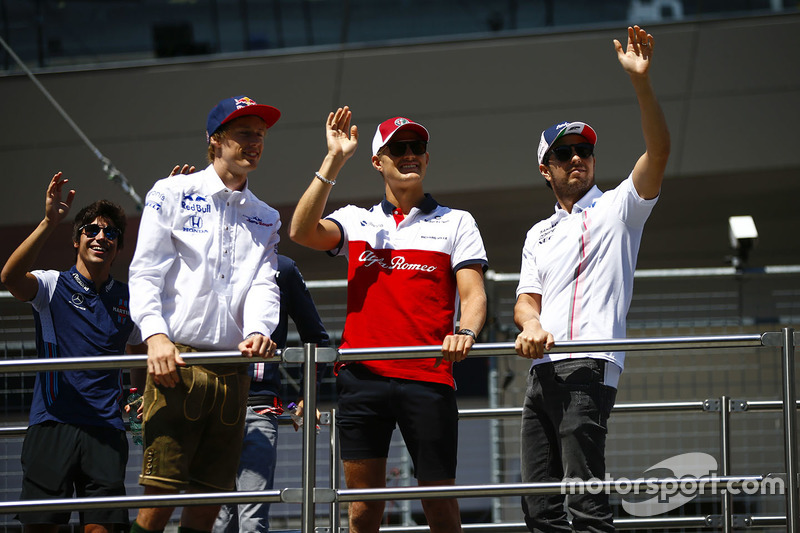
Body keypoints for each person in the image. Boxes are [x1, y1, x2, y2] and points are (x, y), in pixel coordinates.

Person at [290, 107, 488, 533]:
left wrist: (466, 331)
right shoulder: (355, 219)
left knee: (439, 507)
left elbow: (474, 295)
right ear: (378, 160)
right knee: (363, 511)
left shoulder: (457, 222)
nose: (411, 154)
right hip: (363, 379)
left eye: (418, 147)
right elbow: (301, 231)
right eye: (398, 148)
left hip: (429, 378)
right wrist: (333, 159)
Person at [513, 26, 670, 532]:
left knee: (586, 500)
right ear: (545, 168)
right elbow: (524, 301)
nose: (577, 158)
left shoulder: (618, 207)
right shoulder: (537, 232)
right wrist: (531, 323)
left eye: (584, 151)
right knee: (539, 507)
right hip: (541, 372)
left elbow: (660, 152)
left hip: (590, 364)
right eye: (564, 153)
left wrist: (641, 84)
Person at [127, 95, 283, 533]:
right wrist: (155, 335)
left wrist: (259, 330)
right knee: (160, 492)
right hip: (175, 362)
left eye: (261, 135)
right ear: (215, 140)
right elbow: (145, 271)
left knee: (211, 498)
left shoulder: (266, 215)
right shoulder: (171, 192)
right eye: (245, 134)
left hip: (233, 370)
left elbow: (263, 283)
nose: (255, 143)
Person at [1, 172, 144, 533]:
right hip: (52, 424)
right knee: (43, 528)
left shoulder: (132, 299)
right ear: (77, 241)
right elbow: (10, 278)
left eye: (110, 233)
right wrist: (49, 221)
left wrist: (137, 392)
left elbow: (138, 348)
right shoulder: (51, 284)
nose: (101, 237)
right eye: (91, 230)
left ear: (119, 246)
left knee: (103, 529)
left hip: (106, 429)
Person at [213, 253, 330, 533]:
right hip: (209, 403)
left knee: (252, 521)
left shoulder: (283, 268)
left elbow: (317, 338)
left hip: (259, 406)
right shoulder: (208, 255)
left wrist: (307, 395)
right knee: (216, 521)